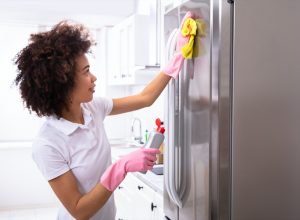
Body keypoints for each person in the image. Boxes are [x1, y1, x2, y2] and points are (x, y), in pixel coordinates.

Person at [14, 12, 194, 220]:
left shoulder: (92, 108)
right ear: (64, 84)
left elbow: (145, 98)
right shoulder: (47, 144)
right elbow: (79, 210)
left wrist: (176, 58)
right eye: (86, 71)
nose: (94, 77)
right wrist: (121, 167)